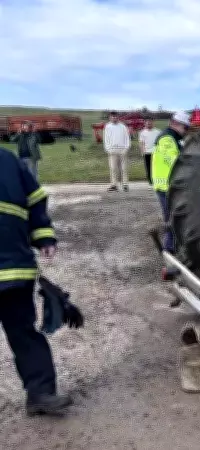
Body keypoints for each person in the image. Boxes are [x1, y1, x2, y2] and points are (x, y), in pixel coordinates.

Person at [0, 147, 72, 416]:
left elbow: (36, 199)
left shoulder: (8, 161)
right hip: (13, 265)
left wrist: (44, 237)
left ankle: (41, 393)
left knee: (25, 334)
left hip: (14, 268)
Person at [151, 111, 191, 254]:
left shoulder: (172, 138)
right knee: (171, 218)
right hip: (166, 186)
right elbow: (174, 162)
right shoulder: (167, 139)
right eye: (185, 128)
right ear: (175, 123)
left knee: (173, 217)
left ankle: (173, 246)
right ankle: (169, 248)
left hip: (168, 185)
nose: (186, 131)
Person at [103, 112, 131, 192]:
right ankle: (114, 185)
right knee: (113, 168)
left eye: (115, 117)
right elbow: (106, 139)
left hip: (122, 150)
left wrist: (126, 148)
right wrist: (107, 149)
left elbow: (127, 138)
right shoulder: (107, 126)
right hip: (112, 150)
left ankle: (125, 184)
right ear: (110, 117)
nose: (114, 118)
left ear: (118, 117)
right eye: (112, 117)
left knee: (124, 168)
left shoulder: (123, 126)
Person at [138, 118, 161, 185]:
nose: (149, 123)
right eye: (147, 122)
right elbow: (141, 143)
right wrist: (142, 151)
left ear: (153, 123)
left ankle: (157, 179)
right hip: (147, 152)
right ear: (145, 123)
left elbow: (160, 142)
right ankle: (150, 181)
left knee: (156, 167)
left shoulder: (158, 131)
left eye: (150, 122)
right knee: (148, 167)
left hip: (156, 152)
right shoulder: (142, 132)